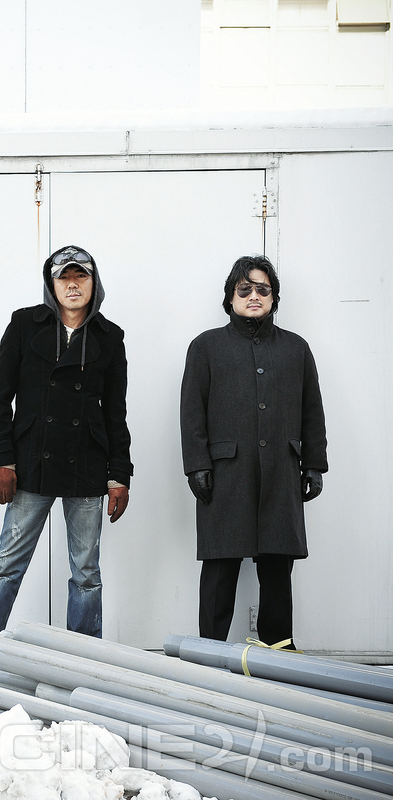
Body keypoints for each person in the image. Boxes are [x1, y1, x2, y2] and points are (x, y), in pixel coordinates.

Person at [0, 245, 133, 640]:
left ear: (94, 283)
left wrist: (119, 475)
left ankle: (83, 657)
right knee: (7, 565)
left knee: (87, 572)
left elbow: (115, 413)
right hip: (31, 464)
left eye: (81, 276)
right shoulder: (24, 324)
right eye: (64, 277)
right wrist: (1, 460)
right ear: (52, 284)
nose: (73, 285)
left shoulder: (110, 337)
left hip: (86, 465)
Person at [180, 255, 327, 647]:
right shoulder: (206, 347)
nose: (254, 296)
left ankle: (278, 650)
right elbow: (192, 411)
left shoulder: (296, 349)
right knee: (220, 564)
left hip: (281, 471)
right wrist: (196, 465)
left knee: (278, 566)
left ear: (274, 297)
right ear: (230, 298)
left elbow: (312, 410)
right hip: (226, 474)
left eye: (263, 289)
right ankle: (209, 651)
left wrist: (314, 464)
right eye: (244, 289)